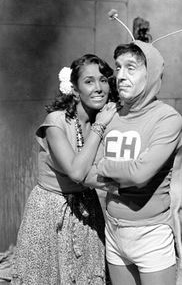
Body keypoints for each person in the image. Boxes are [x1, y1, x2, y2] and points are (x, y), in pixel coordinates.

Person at [12, 53, 118, 285]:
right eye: (89, 81)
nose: (99, 88)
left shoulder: (111, 120)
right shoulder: (55, 122)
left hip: (87, 211)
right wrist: (100, 126)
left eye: (103, 80)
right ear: (75, 90)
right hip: (49, 213)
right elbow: (77, 172)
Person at [85, 40, 182, 285]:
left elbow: (140, 174)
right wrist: (120, 180)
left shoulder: (167, 118)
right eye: (118, 68)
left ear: (149, 74)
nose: (121, 76)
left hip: (151, 232)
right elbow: (85, 172)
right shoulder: (110, 114)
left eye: (131, 68)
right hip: (114, 230)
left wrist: (105, 167)